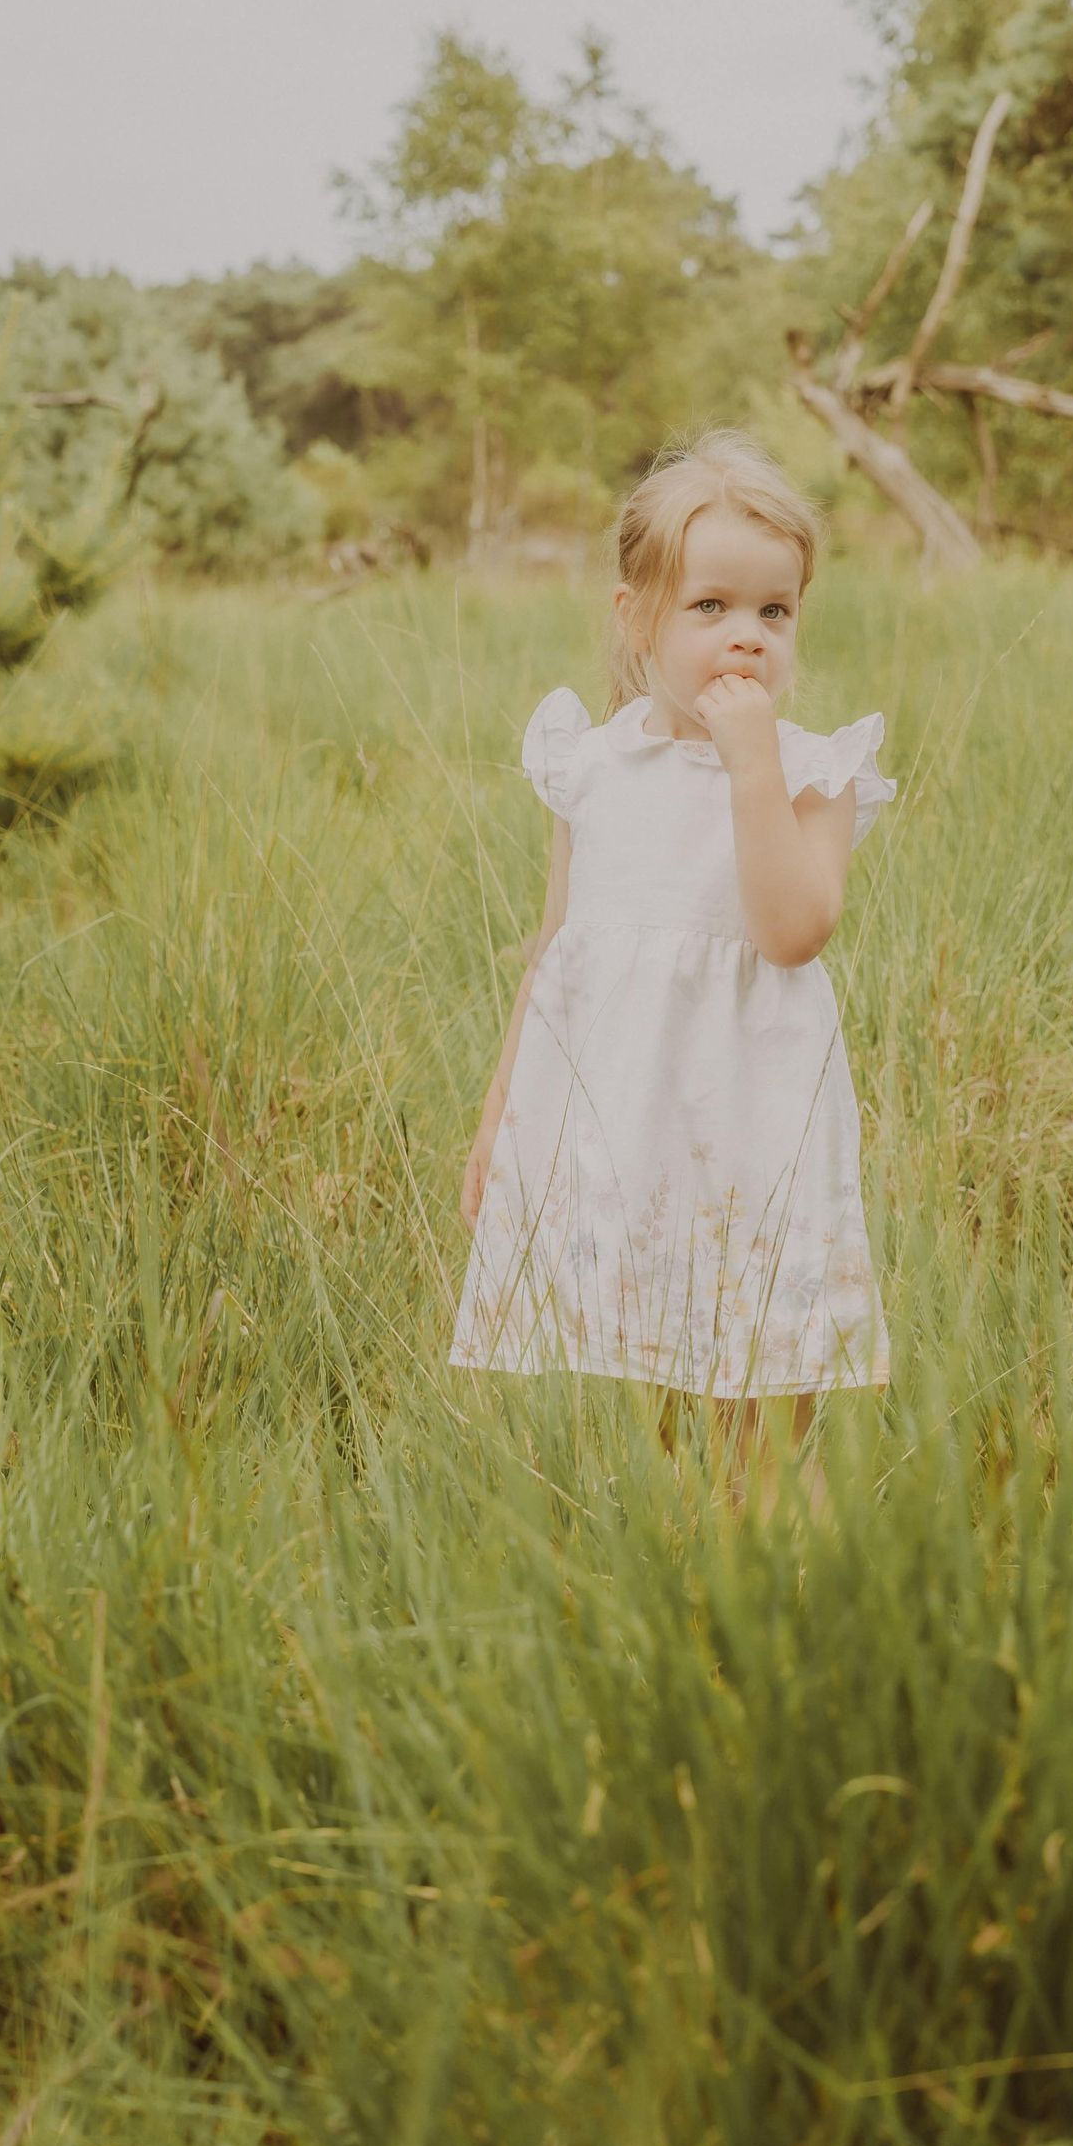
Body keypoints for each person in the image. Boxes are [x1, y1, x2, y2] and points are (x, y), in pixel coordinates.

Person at [452, 432, 894, 1439]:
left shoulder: (813, 773)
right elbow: (555, 951)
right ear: (637, 616)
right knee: (651, 1377)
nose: (747, 637)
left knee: (762, 1406)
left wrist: (752, 767)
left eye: (774, 612)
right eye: (710, 607)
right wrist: (500, 1112)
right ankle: (683, 1539)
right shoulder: (593, 768)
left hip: (752, 1130)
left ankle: (777, 1537)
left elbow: (792, 933)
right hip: (627, 1124)